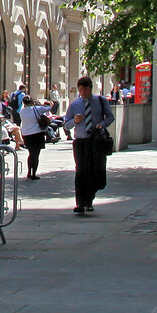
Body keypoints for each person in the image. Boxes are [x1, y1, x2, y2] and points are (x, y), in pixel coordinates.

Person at [66, 75, 113, 216]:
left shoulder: (100, 101)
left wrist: (102, 124)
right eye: (80, 90)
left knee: (95, 170)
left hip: (95, 140)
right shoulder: (74, 105)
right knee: (81, 171)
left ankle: (89, 200)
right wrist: (74, 121)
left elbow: (110, 116)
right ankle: (80, 203)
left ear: (90, 88)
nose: (83, 92)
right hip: (81, 141)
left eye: (85, 89)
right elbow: (66, 125)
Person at [18, 97, 50, 179]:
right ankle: (33, 173)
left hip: (26, 134)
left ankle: (29, 172)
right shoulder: (37, 109)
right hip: (37, 133)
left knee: (31, 153)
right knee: (36, 154)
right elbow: (49, 108)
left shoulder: (22, 111)